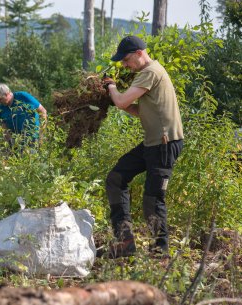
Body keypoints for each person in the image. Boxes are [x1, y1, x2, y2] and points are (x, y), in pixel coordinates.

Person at [102, 36, 184, 258]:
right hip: (152, 143)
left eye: (126, 60)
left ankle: (160, 251)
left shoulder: (150, 72)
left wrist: (111, 86)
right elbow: (138, 110)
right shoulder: (147, 74)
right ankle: (125, 241)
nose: (125, 65)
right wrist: (118, 100)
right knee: (116, 179)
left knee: (152, 198)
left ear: (139, 53)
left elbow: (120, 101)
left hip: (165, 145)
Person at [0, 83, 47, 154]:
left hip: (33, 138)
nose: (0, 102)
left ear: (7, 94)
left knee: (31, 160)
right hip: (17, 142)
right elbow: (4, 127)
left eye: (1, 99)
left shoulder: (23, 97)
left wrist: (42, 133)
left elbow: (43, 111)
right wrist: (10, 143)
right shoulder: (1, 108)